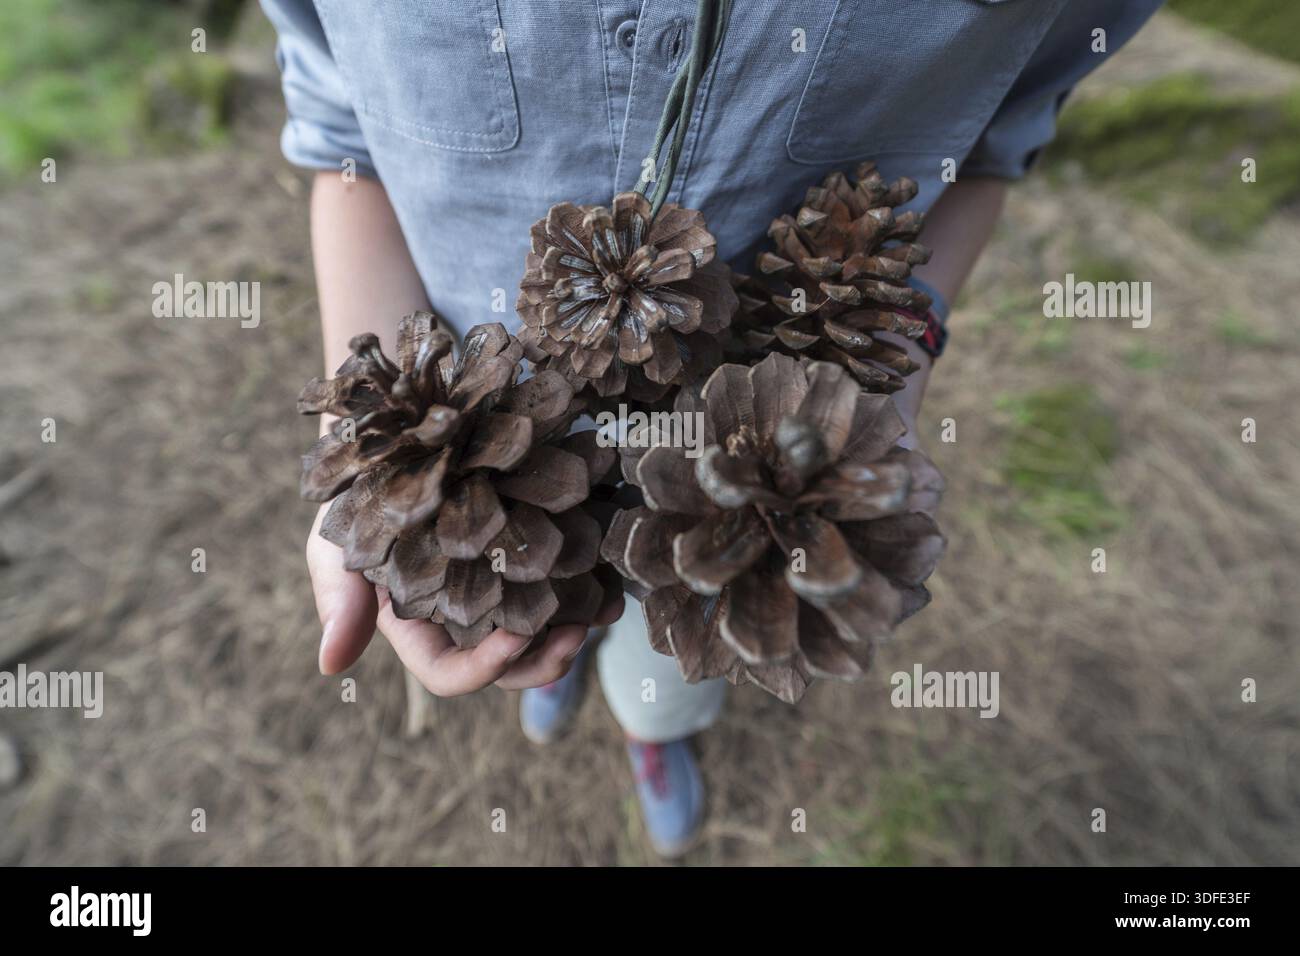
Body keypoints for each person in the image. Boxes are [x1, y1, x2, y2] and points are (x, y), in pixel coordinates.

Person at [260, 0, 1163, 858]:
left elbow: (995, 141)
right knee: (532, 618)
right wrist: (381, 468)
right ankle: (552, 651)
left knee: (666, 674)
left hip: (755, 473)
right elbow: (346, 142)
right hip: (480, 499)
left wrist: (889, 391)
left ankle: (651, 733)